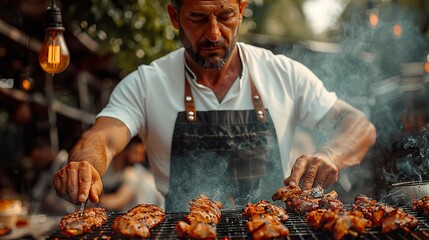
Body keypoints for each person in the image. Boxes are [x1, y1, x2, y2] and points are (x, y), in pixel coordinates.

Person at [54, 0, 376, 211]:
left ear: (241, 9)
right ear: (174, 15)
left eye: (225, 16)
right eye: (197, 18)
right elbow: (103, 139)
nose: (213, 33)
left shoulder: (283, 74)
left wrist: (331, 154)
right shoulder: (146, 83)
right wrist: (86, 165)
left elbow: (359, 125)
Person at [98, 137, 164, 212]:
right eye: (137, 153)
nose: (141, 159)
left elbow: (118, 202)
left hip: (135, 218)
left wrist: (93, 200)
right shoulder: (106, 167)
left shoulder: (134, 173)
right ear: (124, 148)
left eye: (142, 154)